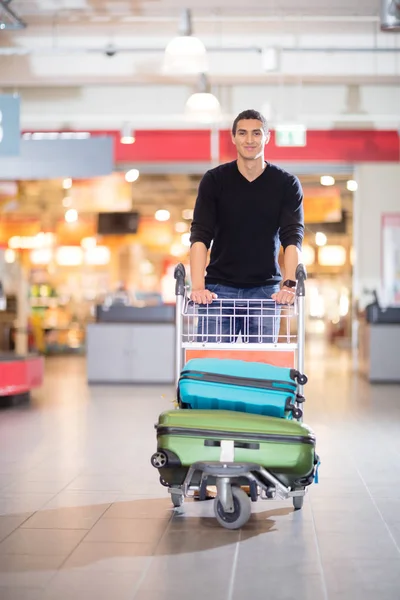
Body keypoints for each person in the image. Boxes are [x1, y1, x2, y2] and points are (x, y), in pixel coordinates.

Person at [189, 108, 304, 343]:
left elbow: (292, 238)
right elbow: (200, 235)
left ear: (267, 137)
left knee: (258, 370)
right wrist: (198, 286)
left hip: (265, 291)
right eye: (242, 133)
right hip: (218, 291)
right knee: (214, 367)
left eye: (256, 133)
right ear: (233, 137)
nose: (249, 140)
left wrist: (289, 286)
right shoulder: (214, 180)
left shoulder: (286, 184)